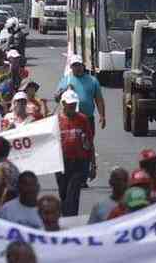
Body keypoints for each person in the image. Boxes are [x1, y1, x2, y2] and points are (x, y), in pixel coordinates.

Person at [55, 89, 94, 217]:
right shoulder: (55, 121)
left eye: (73, 104)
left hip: (79, 162)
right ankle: (66, 218)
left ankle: (71, 220)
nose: (72, 107)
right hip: (61, 163)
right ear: (63, 104)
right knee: (64, 194)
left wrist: (93, 165)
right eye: (69, 104)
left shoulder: (82, 119)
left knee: (73, 192)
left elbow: (90, 143)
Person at [55, 54, 106, 131]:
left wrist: (102, 116)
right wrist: (65, 90)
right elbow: (56, 98)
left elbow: (99, 100)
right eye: (75, 65)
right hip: (70, 119)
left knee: (89, 140)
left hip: (88, 118)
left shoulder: (92, 80)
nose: (77, 67)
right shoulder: (66, 80)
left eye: (79, 65)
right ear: (71, 67)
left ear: (83, 65)